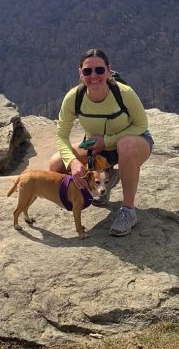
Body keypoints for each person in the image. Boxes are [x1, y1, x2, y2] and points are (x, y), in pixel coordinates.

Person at [48, 48, 153, 237]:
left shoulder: (124, 93)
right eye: (87, 71)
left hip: (134, 142)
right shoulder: (74, 97)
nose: (93, 76)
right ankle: (105, 180)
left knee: (125, 146)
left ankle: (128, 210)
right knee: (55, 165)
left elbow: (141, 125)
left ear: (108, 70)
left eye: (99, 70)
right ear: (80, 73)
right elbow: (61, 135)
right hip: (93, 145)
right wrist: (72, 164)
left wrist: (107, 141)